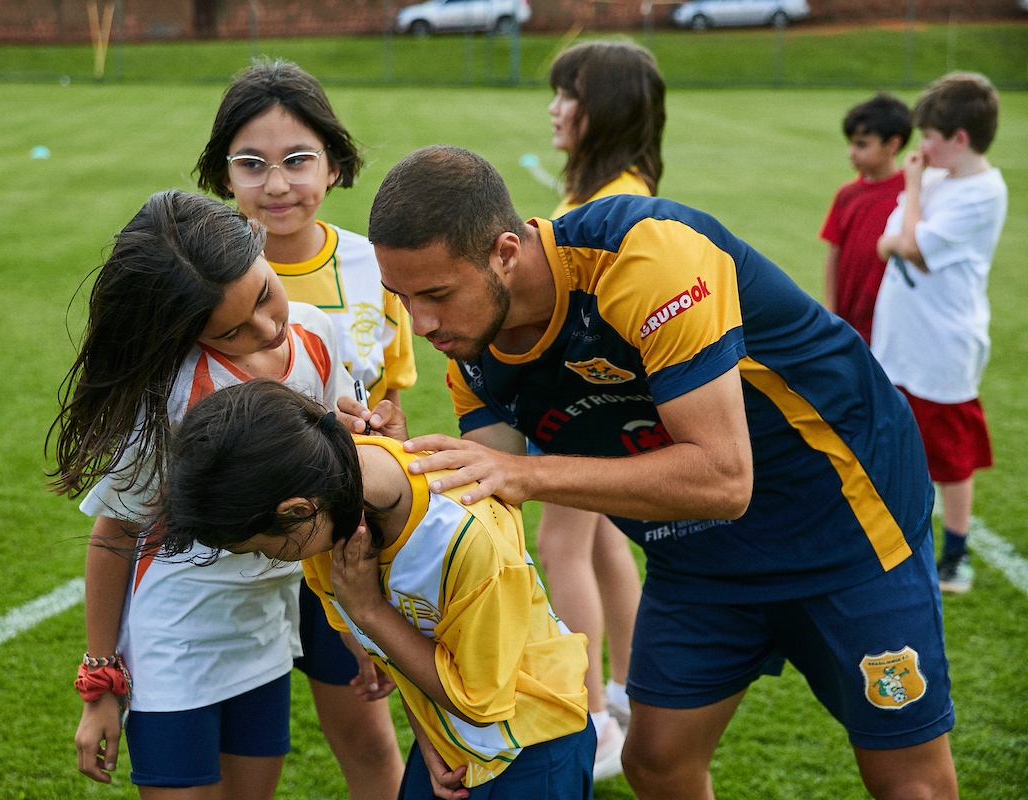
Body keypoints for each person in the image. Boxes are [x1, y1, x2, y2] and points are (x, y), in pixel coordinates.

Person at [367, 145, 959, 800]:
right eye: (403, 298)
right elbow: (476, 514)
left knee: (910, 783)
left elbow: (724, 479)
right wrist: (391, 469)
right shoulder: (472, 360)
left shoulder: (647, 256)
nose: (421, 323)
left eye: (437, 294)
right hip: (697, 553)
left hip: (845, 526)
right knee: (657, 762)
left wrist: (524, 473)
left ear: (505, 252)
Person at [48, 190, 397, 800]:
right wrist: (100, 680)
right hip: (178, 637)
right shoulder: (173, 394)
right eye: (231, 330)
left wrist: (370, 437)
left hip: (267, 628)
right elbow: (115, 535)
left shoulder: (318, 335)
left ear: (262, 251)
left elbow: (336, 485)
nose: (267, 328)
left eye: (264, 295)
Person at [155, 379, 595, 800]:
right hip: (450, 746)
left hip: (535, 747)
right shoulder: (329, 508)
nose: (269, 559)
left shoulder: (466, 538)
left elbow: (481, 700)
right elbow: (397, 654)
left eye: (260, 550)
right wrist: (429, 735)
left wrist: (368, 609)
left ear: (296, 511)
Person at [194, 59, 411, 798]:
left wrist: (381, 422)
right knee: (237, 750)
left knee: (366, 733)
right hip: (231, 559)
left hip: (339, 544)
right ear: (222, 175)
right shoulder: (195, 274)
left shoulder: (372, 263)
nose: (276, 185)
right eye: (250, 164)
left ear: (335, 164)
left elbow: (387, 400)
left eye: (297, 161)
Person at [538, 39, 664, 778]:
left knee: (562, 545)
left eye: (570, 94)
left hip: (589, 397)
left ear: (606, 109)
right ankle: (629, 697)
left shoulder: (613, 202)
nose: (556, 108)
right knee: (605, 543)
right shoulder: (608, 187)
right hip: (600, 398)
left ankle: (594, 724)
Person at [873, 72, 1007, 595]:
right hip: (901, 336)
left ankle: (956, 555)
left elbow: (909, 248)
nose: (920, 147)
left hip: (943, 344)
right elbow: (892, 235)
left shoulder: (982, 192)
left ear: (960, 139)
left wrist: (908, 194)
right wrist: (904, 223)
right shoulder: (935, 179)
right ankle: (902, 536)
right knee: (894, 435)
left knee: (949, 456)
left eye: (929, 136)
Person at [819, 92, 912, 344]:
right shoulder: (847, 194)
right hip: (848, 312)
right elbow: (833, 252)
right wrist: (830, 306)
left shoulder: (911, 193)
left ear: (893, 144)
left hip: (888, 316)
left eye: (862, 144)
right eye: (850, 143)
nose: (851, 152)